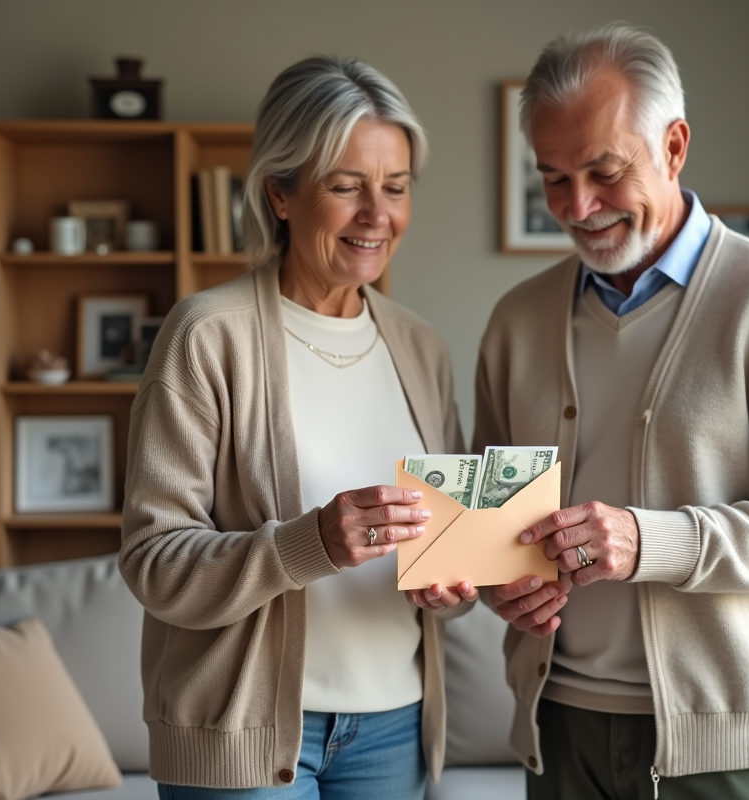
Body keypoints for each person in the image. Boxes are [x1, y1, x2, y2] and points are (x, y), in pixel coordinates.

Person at [477, 24, 749, 800]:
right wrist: (497, 582)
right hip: (561, 733)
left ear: (675, 146)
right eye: (554, 178)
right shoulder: (516, 319)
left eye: (605, 171)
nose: (578, 206)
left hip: (735, 749)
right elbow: (496, 518)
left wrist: (647, 540)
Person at [119, 56, 476, 800]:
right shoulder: (206, 335)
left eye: (396, 187)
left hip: (396, 727)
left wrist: (454, 586)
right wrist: (310, 543)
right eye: (346, 187)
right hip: (244, 727)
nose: (377, 214)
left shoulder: (422, 347)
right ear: (279, 194)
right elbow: (154, 561)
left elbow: (446, 544)